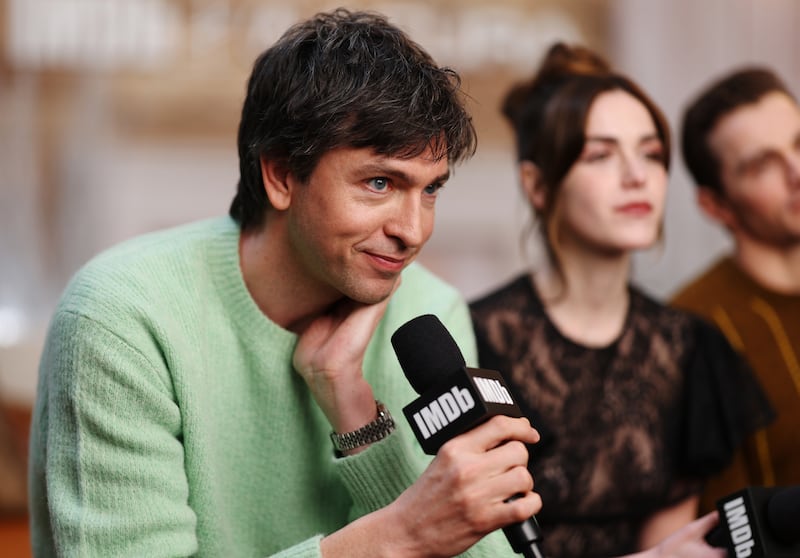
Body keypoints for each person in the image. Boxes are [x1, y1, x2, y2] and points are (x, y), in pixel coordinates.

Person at [26, 10, 729, 557]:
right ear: (280, 175)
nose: (412, 230)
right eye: (380, 184)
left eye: (431, 190)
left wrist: (356, 415)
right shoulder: (124, 316)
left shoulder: (427, 307)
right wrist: (399, 535)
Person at [469, 43, 774, 558]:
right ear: (537, 185)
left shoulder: (688, 348)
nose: (637, 176)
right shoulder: (476, 339)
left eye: (651, 154)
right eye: (601, 155)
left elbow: (671, 548)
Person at [671, 66, 800, 515]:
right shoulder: (693, 331)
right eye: (763, 164)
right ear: (716, 205)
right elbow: (728, 527)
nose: (796, 171)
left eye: (798, 144)